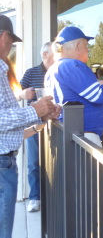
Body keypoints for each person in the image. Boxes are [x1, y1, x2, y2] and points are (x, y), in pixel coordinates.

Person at [0, 15, 61, 238]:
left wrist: (40, 118)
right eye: (11, 41)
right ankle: (35, 197)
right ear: (4, 36)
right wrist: (34, 110)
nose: (11, 47)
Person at [45, 26, 103, 146]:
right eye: (86, 46)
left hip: (68, 133)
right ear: (78, 46)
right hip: (82, 137)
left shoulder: (53, 69)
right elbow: (99, 95)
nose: (88, 49)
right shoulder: (72, 65)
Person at [19, 41, 54, 212]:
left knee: (54, 163)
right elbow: (16, 93)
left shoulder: (59, 72)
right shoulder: (30, 73)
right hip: (34, 124)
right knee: (34, 162)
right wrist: (24, 94)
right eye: (54, 52)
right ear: (45, 54)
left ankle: (53, 197)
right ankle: (35, 197)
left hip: (55, 124)